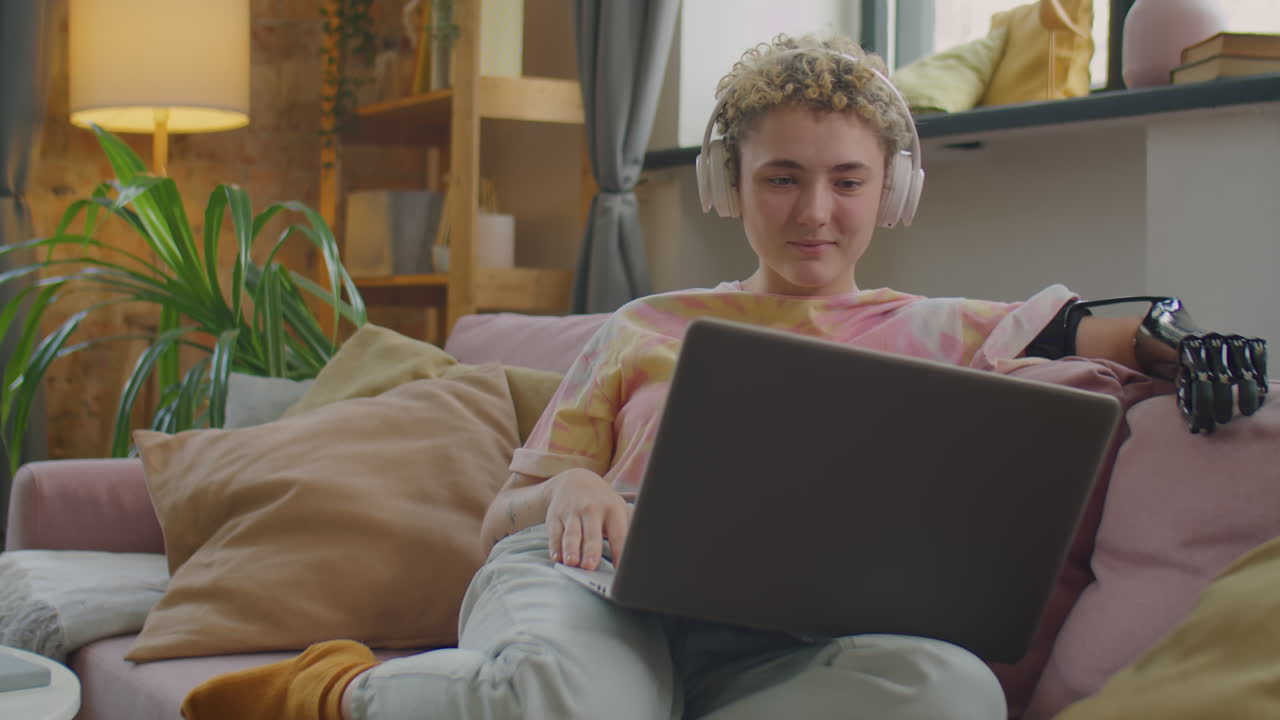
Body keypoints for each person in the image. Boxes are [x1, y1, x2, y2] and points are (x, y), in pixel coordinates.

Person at [179, 32, 1265, 720]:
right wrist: (571, 487)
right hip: (591, 590)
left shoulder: (945, 328)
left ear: (890, 193)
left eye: (846, 181)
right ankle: (333, 689)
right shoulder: (647, 324)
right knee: (587, 696)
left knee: (949, 692)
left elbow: (1117, 332)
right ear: (726, 185)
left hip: (791, 638)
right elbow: (507, 508)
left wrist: (1191, 344)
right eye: (780, 177)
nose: (812, 212)